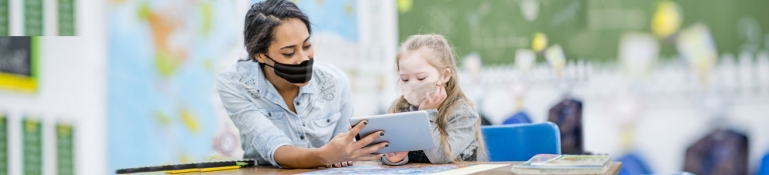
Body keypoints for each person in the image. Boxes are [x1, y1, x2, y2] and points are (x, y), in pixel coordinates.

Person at [216, 0, 386, 169]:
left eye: (307, 45)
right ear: (260, 56)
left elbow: (341, 152)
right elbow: (275, 147)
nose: (304, 58)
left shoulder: (335, 82)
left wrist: (344, 153)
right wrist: (325, 156)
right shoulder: (235, 84)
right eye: (289, 53)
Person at [382, 34, 488, 165]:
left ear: (444, 76)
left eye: (421, 78)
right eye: (405, 79)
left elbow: (439, 157)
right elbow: (383, 154)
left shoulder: (463, 113)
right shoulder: (400, 109)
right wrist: (395, 157)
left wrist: (427, 113)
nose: (412, 85)